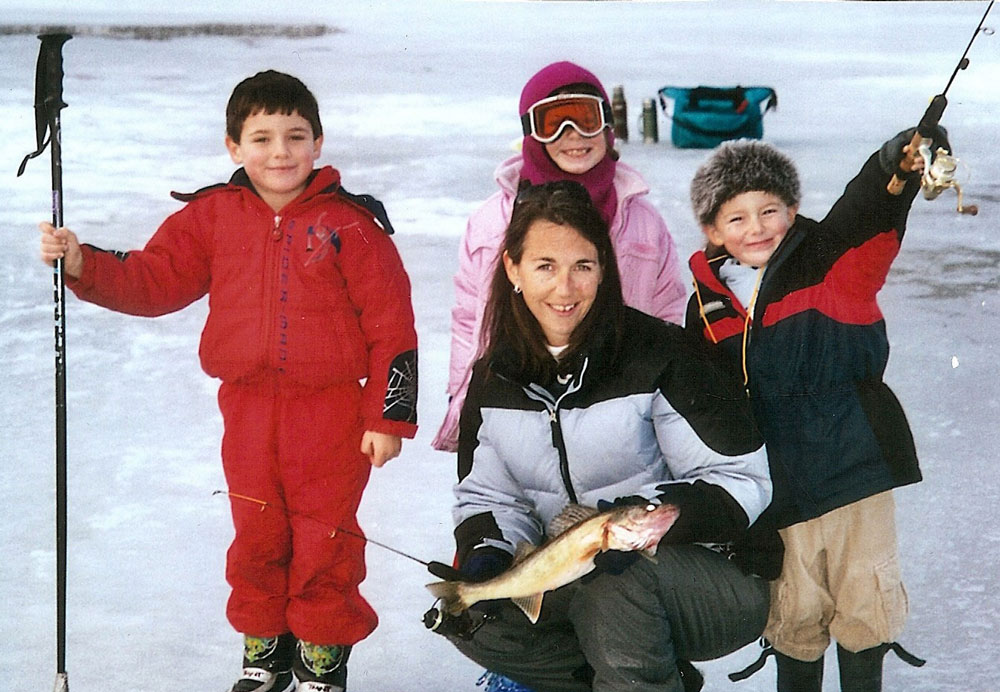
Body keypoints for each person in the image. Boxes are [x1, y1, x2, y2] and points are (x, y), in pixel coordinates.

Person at [38, 70, 419, 692]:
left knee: (326, 538)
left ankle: (322, 659)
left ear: (319, 143)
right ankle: (264, 653)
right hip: (245, 411)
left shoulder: (352, 226)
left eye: (295, 137)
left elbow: (392, 327)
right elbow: (155, 279)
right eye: (262, 138)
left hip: (331, 416)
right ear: (233, 147)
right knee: (257, 534)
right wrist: (85, 265)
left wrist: (388, 416)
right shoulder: (214, 215)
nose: (280, 153)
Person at [428, 180, 779, 692]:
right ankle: (639, 672)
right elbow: (488, 496)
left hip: (712, 577)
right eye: (545, 266)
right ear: (513, 270)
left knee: (616, 590)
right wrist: (488, 553)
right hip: (580, 571)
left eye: (583, 266)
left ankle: (638, 675)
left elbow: (741, 479)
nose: (565, 289)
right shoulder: (493, 379)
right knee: (480, 619)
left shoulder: (663, 355)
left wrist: (660, 519)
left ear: (604, 270)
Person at [684, 132, 942, 691]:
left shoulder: (831, 265)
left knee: (863, 603)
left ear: (793, 209)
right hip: (779, 487)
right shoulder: (705, 305)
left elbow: (864, 216)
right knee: (793, 613)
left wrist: (890, 169)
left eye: (769, 211)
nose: (755, 228)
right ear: (711, 230)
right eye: (737, 218)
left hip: (853, 472)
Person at [432, 60, 687, 453]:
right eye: (554, 123)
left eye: (586, 118)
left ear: (607, 125)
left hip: (617, 402)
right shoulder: (493, 221)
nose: (574, 136)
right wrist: (463, 399)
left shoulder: (641, 221)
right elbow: (470, 317)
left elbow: (667, 307)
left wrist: (666, 392)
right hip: (519, 396)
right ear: (531, 133)